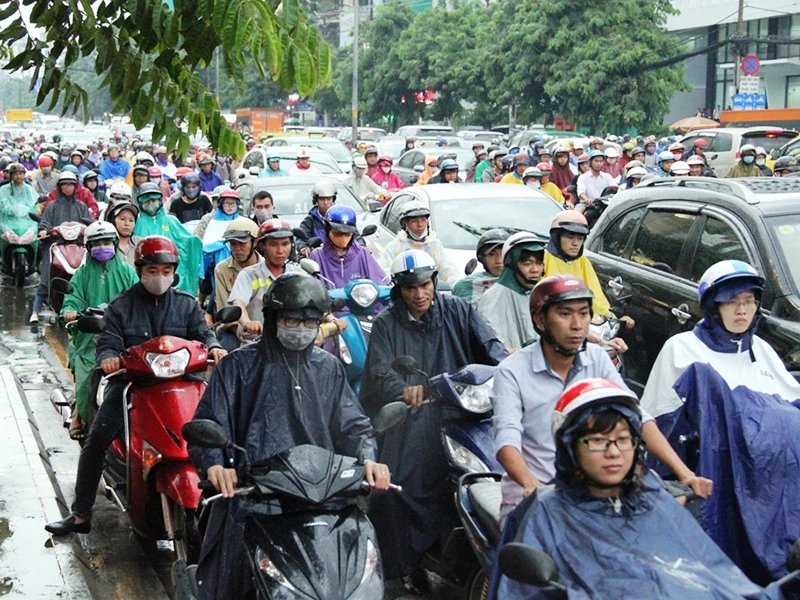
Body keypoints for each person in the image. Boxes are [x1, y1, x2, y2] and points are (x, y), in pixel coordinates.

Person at [186, 273, 391, 600]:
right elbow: (209, 422)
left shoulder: (328, 367)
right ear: (272, 319)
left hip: (320, 498)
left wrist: (369, 459)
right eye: (291, 319)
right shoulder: (237, 367)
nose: (300, 329)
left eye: (309, 322)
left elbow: (354, 425)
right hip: (252, 499)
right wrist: (215, 466)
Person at [490, 378, 771, 600]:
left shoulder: (656, 502)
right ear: (570, 448)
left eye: (624, 440)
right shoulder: (547, 512)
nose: (614, 453)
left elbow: (712, 576)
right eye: (598, 441)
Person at [44, 236, 226, 538]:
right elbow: (109, 341)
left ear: (174, 272)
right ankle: (80, 513)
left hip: (184, 384)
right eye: (152, 270)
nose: (159, 277)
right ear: (141, 270)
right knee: (97, 437)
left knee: (222, 434)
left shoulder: (185, 304)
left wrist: (215, 347)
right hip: (133, 384)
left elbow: (204, 333)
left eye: (166, 270)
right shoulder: (121, 306)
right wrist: (109, 359)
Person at [490, 275, 712, 520]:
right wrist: (530, 484)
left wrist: (683, 473)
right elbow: (506, 440)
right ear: (540, 320)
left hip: (594, 498)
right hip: (536, 502)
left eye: (584, 314)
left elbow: (636, 415)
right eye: (565, 314)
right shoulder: (511, 371)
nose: (577, 325)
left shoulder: (597, 359)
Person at [641, 260, 800, 581]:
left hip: (773, 475)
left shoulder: (762, 350)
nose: (742, 310)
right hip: (717, 472)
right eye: (732, 301)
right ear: (714, 306)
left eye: (749, 302)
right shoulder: (683, 349)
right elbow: (655, 420)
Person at [361, 249, 508, 581]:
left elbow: (491, 345)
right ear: (399, 290)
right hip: (415, 415)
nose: (419, 294)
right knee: (396, 487)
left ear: (435, 283)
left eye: (425, 285)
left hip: (467, 410)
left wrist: (511, 368)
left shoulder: (457, 308)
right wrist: (405, 390)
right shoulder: (386, 322)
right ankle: (405, 568)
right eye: (411, 288)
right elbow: (380, 373)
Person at [60, 222, 138, 438]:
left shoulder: (129, 273)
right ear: (88, 247)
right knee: (85, 383)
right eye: (97, 244)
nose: (102, 247)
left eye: (106, 243)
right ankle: (78, 413)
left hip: (122, 338)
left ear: (114, 244)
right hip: (89, 339)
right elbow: (72, 298)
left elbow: (139, 299)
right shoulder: (82, 274)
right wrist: (70, 311)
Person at [31, 172, 93, 323]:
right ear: (59, 187)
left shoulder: (81, 206)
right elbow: (44, 222)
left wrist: (89, 227)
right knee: (46, 274)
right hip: (55, 244)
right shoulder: (52, 206)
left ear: (75, 186)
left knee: (87, 273)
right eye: (64, 184)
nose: (68, 187)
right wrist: (44, 230)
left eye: (71, 184)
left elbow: (89, 222)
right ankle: (35, 310)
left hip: (77, 245)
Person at [227, 218, 304, 336]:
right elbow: (238, 303)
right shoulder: (249, 275)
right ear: (262, 246)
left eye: (285, 244)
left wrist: (330, 318)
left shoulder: (298, 274)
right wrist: (248, 323)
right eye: (273, 245)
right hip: (256, 343)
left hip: (293, 341)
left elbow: (314, 300)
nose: (280, 251)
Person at [478, 232, 547, 351]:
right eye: (527, 263)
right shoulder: (493, 299)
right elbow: (494, 349)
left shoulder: (543, 295)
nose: (535, 270)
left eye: (539, 263)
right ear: (512, 264)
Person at [133, 182, 203, 295]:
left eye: (154, 200)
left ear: (160, 201)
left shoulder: (171, 220)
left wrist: (196, 242)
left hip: (170, 268)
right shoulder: (136, 222)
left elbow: (187, 242)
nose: (151, 204)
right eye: (147, 201)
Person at [378, 200, 459, 284]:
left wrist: (455, 284)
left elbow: (449, 270)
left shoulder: (435, 245)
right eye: (414, 221)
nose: (420, 224)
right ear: (405, 224)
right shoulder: (394, 247)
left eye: (423, 220)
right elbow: (386, 276)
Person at [308, 205, 388, 290]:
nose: (343, 238)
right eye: (337, 233)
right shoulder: (317, 256)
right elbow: (311, 291)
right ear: (328, 231)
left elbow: (383, 284)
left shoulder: (362, 254)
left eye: (347, 234)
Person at [213, 218, 262, 351]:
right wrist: (245, 333)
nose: (237, 249)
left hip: (265, 330)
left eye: (242, 243)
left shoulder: (267, 268)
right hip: (233, 330)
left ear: (255, 242)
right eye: (233, 244)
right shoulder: (222, 270)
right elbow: (226, 313)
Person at [453, 229, 509, 307]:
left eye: (503, 254)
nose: (499, 261)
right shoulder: (465, 286)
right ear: (482, 258)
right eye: (492, 254)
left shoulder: (524, 284)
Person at [105, 200, 140, 267]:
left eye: (131, 220)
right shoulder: (104, 245)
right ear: (112, 220)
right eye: (122, 219)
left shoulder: (140, 244)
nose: (127, 223)